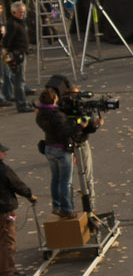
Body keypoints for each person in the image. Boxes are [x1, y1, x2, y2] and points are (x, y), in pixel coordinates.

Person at [35, 87, 96, 219]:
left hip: (49, 148)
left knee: (55, 179)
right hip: (61, 150)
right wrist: (80, 125)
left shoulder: (41, 114)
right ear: (54, 99)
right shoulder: (57, 115)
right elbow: (66, 132)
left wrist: (72, 122)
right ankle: (67, 209)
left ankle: (56, 206)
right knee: (65, 181)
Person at [0, 141, 36, 276]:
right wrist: (29, 195)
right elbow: (17, 185)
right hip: (4, 212)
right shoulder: (3, 169)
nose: (5, 153)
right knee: (8, 239)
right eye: (2, 151)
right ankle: (6, 271)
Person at [2, 2, 31, 113]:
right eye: (20, 12)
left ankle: (21, 101)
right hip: (17, 54)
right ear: (13, 12)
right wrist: (6, 50)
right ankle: (21, 105)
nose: (22, 14)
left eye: (23, 12)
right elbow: (7, 39)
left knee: (19, 79)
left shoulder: (19, 22)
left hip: (20, 52)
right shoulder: (12, 24)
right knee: (20, 80)